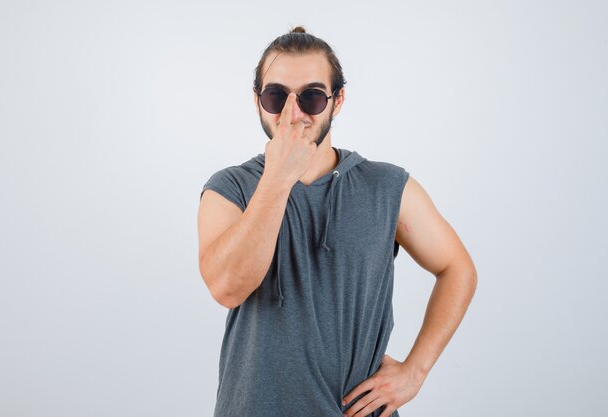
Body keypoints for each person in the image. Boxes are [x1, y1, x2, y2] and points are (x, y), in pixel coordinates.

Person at [198, 26, 477, 417]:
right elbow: (227, 288)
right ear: (258, 101)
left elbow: (457, 267)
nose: (292, 114)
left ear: (337, 100)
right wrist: (278, 178)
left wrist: (416, 371)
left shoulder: (387, 186)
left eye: (311, 97)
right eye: (276, 96)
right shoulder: (230, 187)